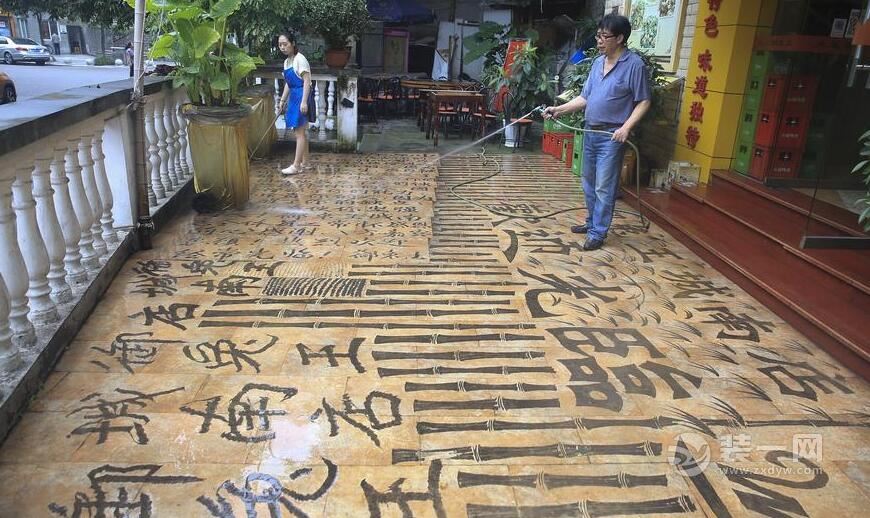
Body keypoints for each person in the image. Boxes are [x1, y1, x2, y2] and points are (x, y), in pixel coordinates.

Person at [543, 14, 651, 251]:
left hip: (612, 136)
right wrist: (558, 110)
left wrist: (626, 128)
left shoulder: (634, 65)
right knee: (588, 183)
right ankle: (592, 222)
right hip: (590, 132)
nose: (599, 40)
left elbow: (643, 101)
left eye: (605, 36)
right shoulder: (596, 63)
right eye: (598, 35)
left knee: (604, 186)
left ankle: (598, 233)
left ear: (620, 38)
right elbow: (584, 98)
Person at [277, 32, 311, 175]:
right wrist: (283, 100)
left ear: (293, 43)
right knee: (300, 131)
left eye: (285, 44)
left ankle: (296, 165)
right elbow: (288, 83)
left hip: (301, 96)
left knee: (299, 132)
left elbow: (307, 81)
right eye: (280, 45)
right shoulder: (287, 62)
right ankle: (306, 163)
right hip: (293, 98)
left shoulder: (300, 59)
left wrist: (304, 102)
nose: (283, 47)